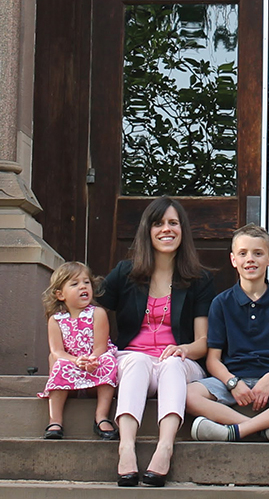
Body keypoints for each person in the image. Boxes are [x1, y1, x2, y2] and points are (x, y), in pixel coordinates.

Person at [96, 197, 215, 487]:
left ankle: (165, 447)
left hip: (181, 364)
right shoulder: (126, 272)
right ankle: (126, 447)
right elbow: (94, 310)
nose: (166, 229)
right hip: (133, 360)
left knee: (173, 363)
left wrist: (183, 349)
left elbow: (203, 341)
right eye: (159, 223)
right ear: (147, 230)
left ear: (183, 230)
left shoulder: (199, 279)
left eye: (173, 223)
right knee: (136, 360)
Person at [186, 224, 269, 442]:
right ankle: (261, 429)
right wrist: (232, 383)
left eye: (258, 253)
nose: (250, 259)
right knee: (187, 395)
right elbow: (213, 360)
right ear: (233, 260)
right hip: (231, 380)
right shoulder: (221, 303)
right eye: (243, 253)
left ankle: (236, 431)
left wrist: (268, 380)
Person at [37, 261, 119, 441]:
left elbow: (101, 347)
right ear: (60, 294)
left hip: (94, 368)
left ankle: (101, 416)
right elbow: (57, 350)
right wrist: (76, 361)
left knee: (109, 361)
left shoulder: (97, 313)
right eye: (74, 284)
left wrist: (91, 360)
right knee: (57, 362)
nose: (83, 286)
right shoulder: (56, 320)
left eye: (86, 282)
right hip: (71, 371)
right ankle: (55, 420)